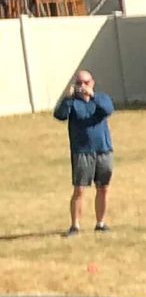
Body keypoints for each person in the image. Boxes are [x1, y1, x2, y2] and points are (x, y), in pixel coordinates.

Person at [53, 69, 115, 236]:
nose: (82, 86)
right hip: (82, 152)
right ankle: (75, 226)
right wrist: (68, 98)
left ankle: (100, 223)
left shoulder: (101, 99)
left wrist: (92, 95)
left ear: (92, 83)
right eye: (79, 83)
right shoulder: (72, 104)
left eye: (86, 83)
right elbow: (59, 115)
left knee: (103, 188)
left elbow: (108, 109)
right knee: (79, 190)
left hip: (103, 150)